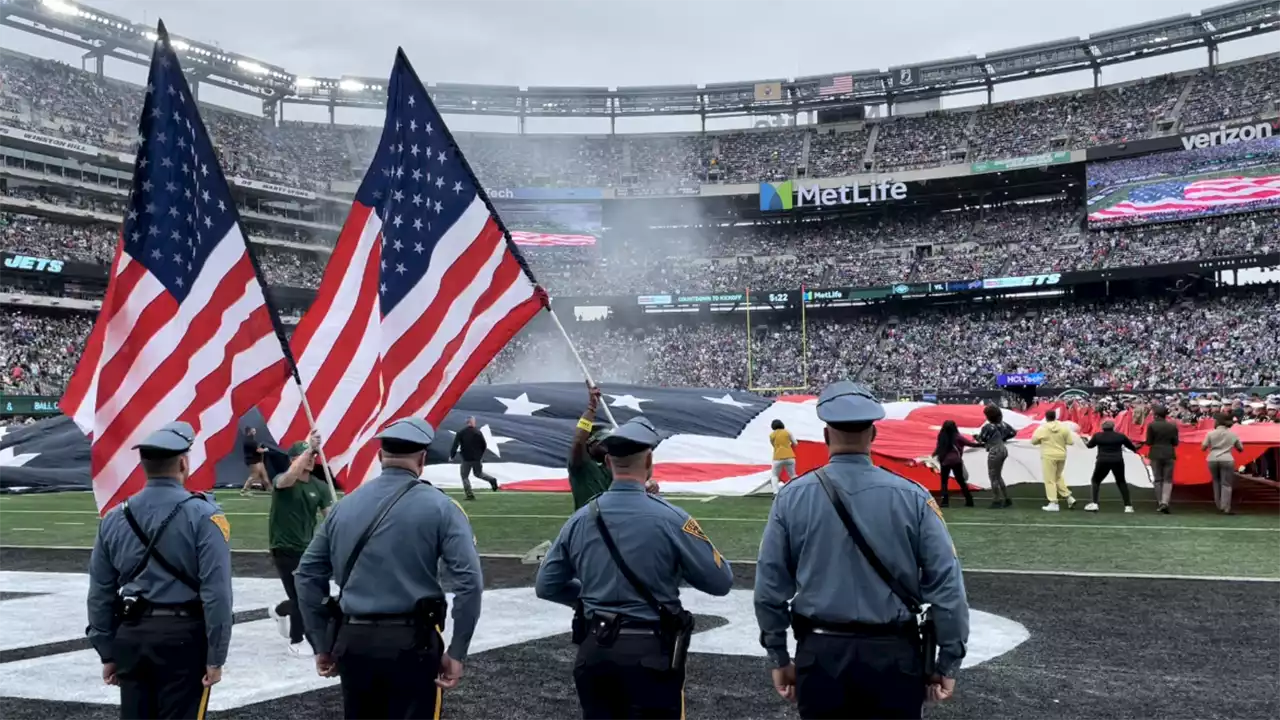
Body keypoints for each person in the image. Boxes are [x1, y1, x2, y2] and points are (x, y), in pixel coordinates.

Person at [755, 382, 969, 719]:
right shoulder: (913, 497)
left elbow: (769, 588)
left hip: (820, 654)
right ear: (874, 434)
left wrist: (778, 657)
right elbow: (948, 586)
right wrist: (948, 663)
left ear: (826, 436)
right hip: (894, 656)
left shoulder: (792, 497)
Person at [536, 416, 733, 719]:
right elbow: (720, 581)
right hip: (650, 653)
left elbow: (546, 585)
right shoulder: (671, 518)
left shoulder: (580, 518)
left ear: (609, 463)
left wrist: (586, 598)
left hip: (594, 651)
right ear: (650, 461)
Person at [294, 417, 483, 720]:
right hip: (412, 644)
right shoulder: (442, 507)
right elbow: (469, 583)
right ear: (422, 459)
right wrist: (458, 650)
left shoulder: (344, 506)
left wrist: (321, 642)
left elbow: (306, 576)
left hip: (353, 641)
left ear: (380, 457)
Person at [86, 421, 233, 720]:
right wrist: (216, 655)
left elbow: (100, 593)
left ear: (143, 466)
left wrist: (107, 650)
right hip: (183, 639)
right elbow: (216, 593)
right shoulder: (204, 515)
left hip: (132, 636)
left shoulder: (114, 518)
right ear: (183, 462)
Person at [266, 431, 332, 654]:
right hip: (283, 546)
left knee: (308, 593)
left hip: (307, 548)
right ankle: (296, 640)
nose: (312, 459)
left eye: (314, 455)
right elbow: (287, 478)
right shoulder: (283, 481)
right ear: (294, 460)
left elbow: (329, 517)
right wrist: (309, 449)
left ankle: (280, 610)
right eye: (306, 456)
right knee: (299, 595)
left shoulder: (319, 487)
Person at [568, 384, 613, 511]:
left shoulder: (611, 467)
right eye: (602, 442)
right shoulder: (581, 466)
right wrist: (592, 407)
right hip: (588, 524)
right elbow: (578, 441)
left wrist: (649, 486)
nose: (607, 446)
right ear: (590, 444)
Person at [1084, 420, 1137, 513]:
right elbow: (1132, 447)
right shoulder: (1120, 436)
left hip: (1102, 460)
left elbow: (1089, 446)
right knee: (1121, 481)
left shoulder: (1098, 436)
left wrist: (1084, 440)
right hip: (1117, 460)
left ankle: (1094, 503)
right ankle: (1128, 506)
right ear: (1113, 427)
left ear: (1102, 428)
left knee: (1095, 480)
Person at [1031, 410, 1078, 512]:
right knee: (1058, 477)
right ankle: (1068, 497)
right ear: (1055, 417)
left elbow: (1033, 441)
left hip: (1048, 455)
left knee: (1049, 479)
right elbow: (1070, 442)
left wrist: (1043, 440)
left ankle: (1053, 502)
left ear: (1046, 417)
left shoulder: (1042, 428)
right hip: (1061, 455)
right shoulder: (1064, 428)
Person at [1201, 413, 1244, 515]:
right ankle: (1226, 507)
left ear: (1217, 422)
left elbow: (1203, 447)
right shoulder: (1232, 434)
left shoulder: (1210, 433)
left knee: (1216, 481)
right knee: (1226, 484)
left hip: (1212, 459)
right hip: (1227, 459)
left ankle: (1218, 504)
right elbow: (1240, 449)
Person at [975, 405, 1017, 508]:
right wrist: (1003, 438)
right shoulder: (1003, 425)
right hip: (1003, 449)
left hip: (994, 450)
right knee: (998, 476)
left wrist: (976, 437)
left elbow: (982, 439)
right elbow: (1013, 432)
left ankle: (996, 500)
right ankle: (1007, 498)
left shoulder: (988, 427)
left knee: (993, 476)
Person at [450, 416, 500, 500]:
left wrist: (452, 455)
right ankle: (492, 480)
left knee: (464, 476)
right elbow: (484, 445)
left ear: (466, 422)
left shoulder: (461, 433)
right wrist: (479, 455)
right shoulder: (478, 432)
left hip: (466, 458)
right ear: (472, 422)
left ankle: (469, 495)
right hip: (477, 459)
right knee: (478, 473)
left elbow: (455, 445)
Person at [933, 420, 978, 508]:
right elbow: (970, 444)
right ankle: (969, 500)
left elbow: (939, 448)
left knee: (944, 482)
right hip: (956, 461)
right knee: (961, 481)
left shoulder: (941, 436)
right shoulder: (957, 437)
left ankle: (945, 502)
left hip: (944, 461)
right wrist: (983, 444)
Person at [1144, 405, 1179, 514]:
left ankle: (1160, 502)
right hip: (1169, 453)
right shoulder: (1172, 426)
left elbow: (1149, 442)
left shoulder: (1152, 426)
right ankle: (1165, 501)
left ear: (1155, 415)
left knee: (1158, 479)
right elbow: (1175, 443)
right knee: (1168, 479)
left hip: (1155, 454)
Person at [768, 418, 797, 492]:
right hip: (789, 456)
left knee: (774, 475)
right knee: (793, 475)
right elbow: (795, 443)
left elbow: (773, 445)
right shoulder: (787, 432)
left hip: (777, 457)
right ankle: (796, 489)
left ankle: (775, 492)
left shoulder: (772, 435)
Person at [241, 425, 268, 496]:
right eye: (253, 431)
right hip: (252, 460)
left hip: (253, 460)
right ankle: (245, 490)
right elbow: (258, 450)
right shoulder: (250, 441)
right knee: (254, 475)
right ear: (249, 432)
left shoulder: (249, 440)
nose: (254, 432)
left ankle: (268, 488)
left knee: (260, 474)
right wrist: (265, 450)